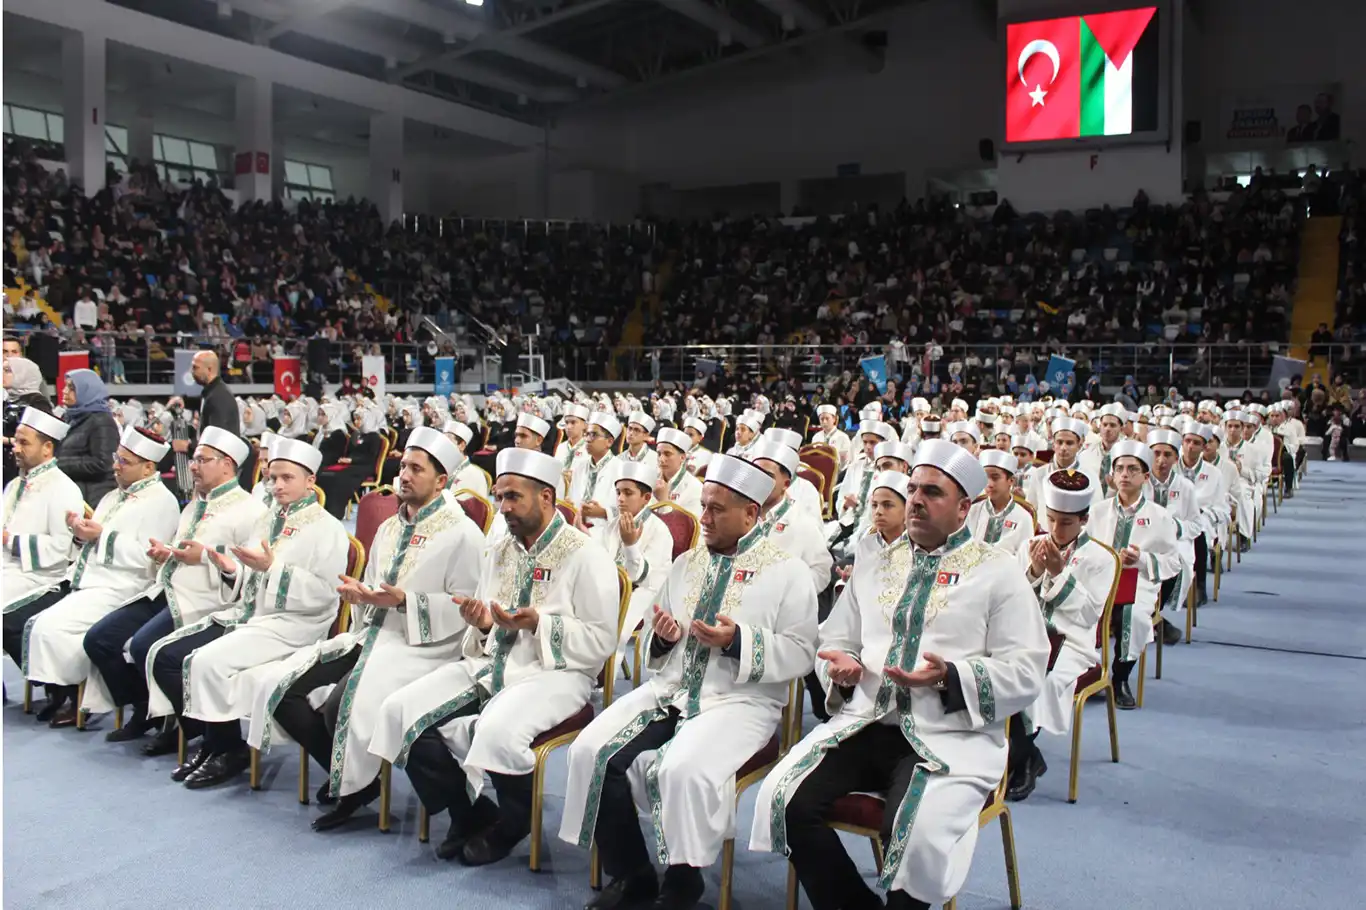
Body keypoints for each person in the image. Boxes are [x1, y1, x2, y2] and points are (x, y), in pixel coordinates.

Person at [751, 440, 1048, 910]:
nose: (916, 500)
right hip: (869, 722)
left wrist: (950, 676)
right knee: (783, 799)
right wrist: (842, 668)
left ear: (964, 507)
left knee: (914, 829)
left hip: (949, 733)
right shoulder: (877, 564)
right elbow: (835, 638)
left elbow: (1026, 668)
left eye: (932, 492)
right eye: (912, 489)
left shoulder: (997, 571)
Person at [561, 454, 818, 910]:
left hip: (741, 701)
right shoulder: (687, 565)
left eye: (717, 509)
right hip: (673, 690)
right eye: (703, 505)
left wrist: (738, 640)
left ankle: (684, 882)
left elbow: (801, 654)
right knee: (589, 751)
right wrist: (664, 640)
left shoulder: (788, 572)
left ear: (751, 513)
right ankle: (633, 873)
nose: (703, 518)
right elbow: (655, 643)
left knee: (682, 769)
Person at [371, 447, 617, 865]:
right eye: (500, 496)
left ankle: (514, 822)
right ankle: (470, 813)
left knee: (498, 729)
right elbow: (488, 620)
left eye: (512, 498)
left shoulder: (585, 553)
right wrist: (483, 622)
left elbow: (601, 640)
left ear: (546, 497)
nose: (502, 508)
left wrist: (539, 624)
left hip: (557, 674)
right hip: (492, 664)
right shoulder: (500, 548)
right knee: (398, 710)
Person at [243, 427, 483, 827]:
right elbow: (375, 585)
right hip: (372, 634)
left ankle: (352, 786)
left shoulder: (463, 535)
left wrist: (406, 602)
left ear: (442, 481)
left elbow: (466, 609)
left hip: (423, 646)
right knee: (281, 689)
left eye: (416, 469)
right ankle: (351, 778)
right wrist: (362, 596)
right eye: (403, 466)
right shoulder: (390, 528)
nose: (403, 475)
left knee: (344, 702)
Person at [142, 438, 349, 789]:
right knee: (192, 658)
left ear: (310, 480)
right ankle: (216, 745)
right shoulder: (269, 518)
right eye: (272, 478)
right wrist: (230, 569)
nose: (277, 485)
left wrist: (273, 569)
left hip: (295, 624)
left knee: (206, 662)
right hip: (256, 615)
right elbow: (249, 575)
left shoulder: (327, 528)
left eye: (287, 478)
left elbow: (325, 595)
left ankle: (227, 751)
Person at [82, 428, 266, 749]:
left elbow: (247, 570)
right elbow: (180, 551)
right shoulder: (195, 505)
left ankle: (188, 727)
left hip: (207, 599)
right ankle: (152, 712)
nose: (192, 466)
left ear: (227, 465)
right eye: (193, 459)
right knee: (100, 639)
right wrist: (165, 553)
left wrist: (207, 557)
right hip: (167, 590)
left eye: (201, 460)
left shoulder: (250, 510)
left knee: (144, 648)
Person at [20, 427, 179, 728]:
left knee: (53, 629)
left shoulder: (162, 501)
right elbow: (95, 540)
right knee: (39, 623)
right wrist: (81, 532)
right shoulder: (113, 496)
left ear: (148, 467)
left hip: (125, 586)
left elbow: (147, 556)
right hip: (92, 580)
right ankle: (67, 694)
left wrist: (102, 535)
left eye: (125, 461)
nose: (115, 465)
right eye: (116, 458)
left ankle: (81, 699)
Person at [1007, 470, 1117, 801]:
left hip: (1072, 641)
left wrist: (1058, 574)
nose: (1056, 530)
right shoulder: (1030, 546)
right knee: (997, 669)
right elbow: (1007, 596)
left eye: (1066, 523)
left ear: (1083, 520)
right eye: (1052, 520)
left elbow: (1088, 616)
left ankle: (1021, 758)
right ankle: (1021, 755)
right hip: (1025, 633)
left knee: (1043, 682)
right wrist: (1034, 571)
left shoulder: (1101, 559)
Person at [2, 409, 84, 718]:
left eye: (24, 442)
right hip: (11, 568)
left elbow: (61, 549)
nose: (16, 448)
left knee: (6, 620)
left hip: (43, 576)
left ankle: (59, 684)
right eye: (16, 442)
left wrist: (11, 540)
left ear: (47, 447)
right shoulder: (14, 485)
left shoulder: (62, 489)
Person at [1087, 441, 1181, 709]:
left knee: (1134, 616)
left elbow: (1173, 561)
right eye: (1119, 469)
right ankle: (1085, 669)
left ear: (1145, 477)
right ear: (1112, 475)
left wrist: (1142, 559)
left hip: (1136, 581)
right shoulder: (1097, 511)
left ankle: (1120, 677)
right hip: (1098, 579)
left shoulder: (1159, 516)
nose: (1125, 474)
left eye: (1132, 469)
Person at [1145, 428, 1201, 644]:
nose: (1161, 460)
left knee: (1176, 561)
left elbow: (1196, 524)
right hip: (1142, 542)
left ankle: (1151, 616)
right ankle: (1154, 619)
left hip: (1173, 543)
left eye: (1167, 455)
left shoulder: (1185, 487)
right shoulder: (1138, 482)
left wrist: (1175, 527)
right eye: (1156, 453)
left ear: (1176, 458)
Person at [56, 368, 120, 506]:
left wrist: (58, 464)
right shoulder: (69, 417)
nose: (64, 391)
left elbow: (104, 463)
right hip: (73, 493)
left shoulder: (102, 421)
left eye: (71, 388)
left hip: (93, 499)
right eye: (66, 386)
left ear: (87, 390)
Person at [316, 407, 384, 518]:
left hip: (365, 466)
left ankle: (335, 511)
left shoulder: (374, 437)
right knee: (326, 475)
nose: (356, 422)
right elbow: (350, 452)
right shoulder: (357, 435)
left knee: (338, 477)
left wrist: (352, 460)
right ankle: (324, 507)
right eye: (355, 419)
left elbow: (370, 457)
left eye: (359, 419)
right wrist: (346, 459)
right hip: (352, 465)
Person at [966, 450, 1036, 556]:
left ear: (1011, 481)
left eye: (995, 478)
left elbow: (1025, 559)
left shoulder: (1023, 517)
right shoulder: (972, 510)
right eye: (985, 477)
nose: (989, 484)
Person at [568, 412, 624, 531]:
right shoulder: (580, 467)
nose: (588, 439)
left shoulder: (620, 469)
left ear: (609, 442)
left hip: (607, 533)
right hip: (578, 529)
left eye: (593, 435)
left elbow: (629, 510)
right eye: (586, 434)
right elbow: (573, 500)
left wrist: (604, 513)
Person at [2, 357, 51, 482]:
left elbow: (40, 441)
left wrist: (6, 440)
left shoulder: (38, 403)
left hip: (25, 470)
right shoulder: (7, 401)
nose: (2, 374)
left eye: (7, 370)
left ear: (23, 374)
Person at [651, 427, 703, 515]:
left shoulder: (695, 488)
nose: (661, 459)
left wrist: (663, 500)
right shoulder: (649, 478)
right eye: (659, 454)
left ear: (682, 457)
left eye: (667, 454)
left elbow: (688, 526)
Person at [441, 420, 490, 500]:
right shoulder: (440, 468)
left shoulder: (474, 475)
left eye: (448, 440)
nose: (443, 445)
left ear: (462, 445)